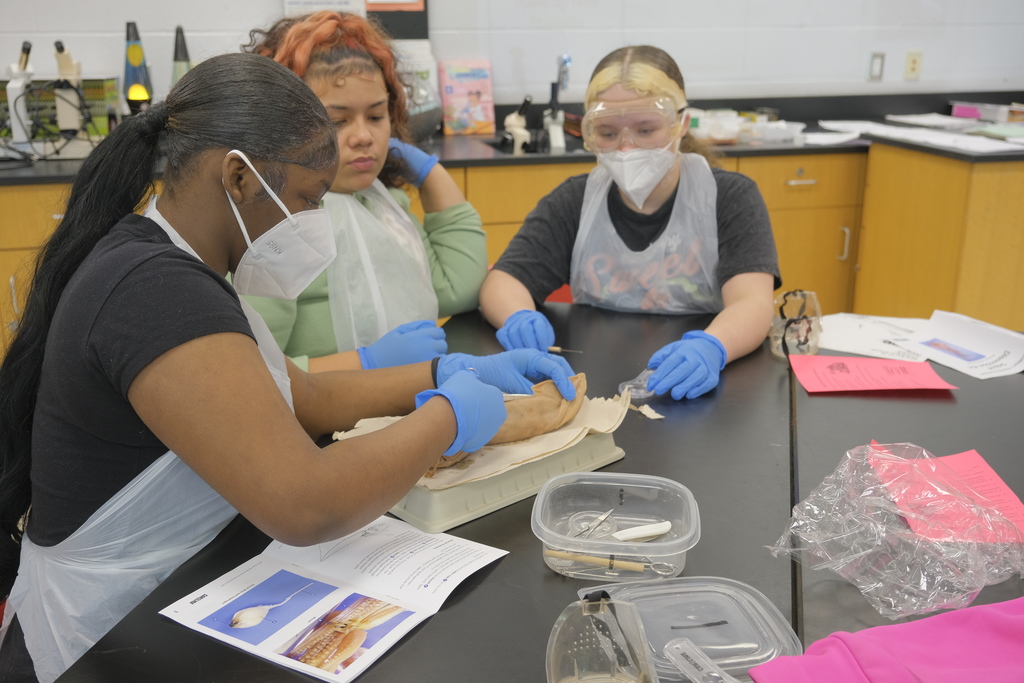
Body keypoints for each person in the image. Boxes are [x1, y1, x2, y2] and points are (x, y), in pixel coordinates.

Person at [0, 53, 574, 683]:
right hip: (104, 636)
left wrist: (439, 373)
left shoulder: (182, 262)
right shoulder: (154, 291)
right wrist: (448, 419)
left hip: (177, 588)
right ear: (239, 179)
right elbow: (305, 503)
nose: (312, 223)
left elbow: (300, 396)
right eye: (307, 199)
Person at [479, 45, 781, 400]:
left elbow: (753, 303)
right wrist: (517, 316)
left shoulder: (729, 197)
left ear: (680, 124)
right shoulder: (575, 201)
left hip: (698, 390)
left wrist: (713, 346)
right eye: (607, 134)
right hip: (597, 387)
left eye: (646, 130)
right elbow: (504, 280)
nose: (626, 149)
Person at [244, 11, 489, 373]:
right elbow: (254, 374)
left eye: (376, 116)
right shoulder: (275, 229)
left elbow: (459, 288)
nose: (363, 136)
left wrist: (429, 172)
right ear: (282, 127)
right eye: (337, 121)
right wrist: (366, 363)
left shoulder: (382, 205)